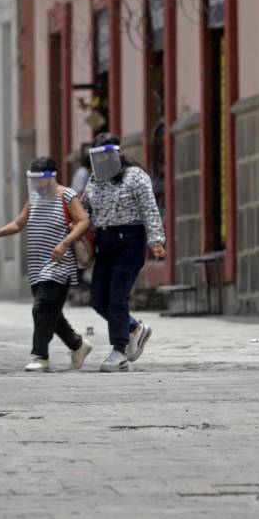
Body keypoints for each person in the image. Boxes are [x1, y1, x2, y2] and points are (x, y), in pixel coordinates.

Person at [0, 157, 93, 372]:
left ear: (51, 177)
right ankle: (78, 345)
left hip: (59, 264)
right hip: (37, 265)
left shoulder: (66, 195)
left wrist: (64, 243)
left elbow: (83, 221)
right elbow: (19, 223)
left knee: (41, 308)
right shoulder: (34, 197)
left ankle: (40, 356)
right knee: (51, 312)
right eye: (33, 180)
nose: (37, 184)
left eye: (40, 180)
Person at [83, 133, 166, 372]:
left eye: (106, 155)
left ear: (117, 153)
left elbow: (150, 209)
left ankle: (118, 351)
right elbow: (85, 207)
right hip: (104, 240)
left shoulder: (135, 176)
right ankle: (134, 328)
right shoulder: (94, 180)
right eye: (96, 157)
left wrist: (156, 240)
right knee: (98, 299)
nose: (102, 161)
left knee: (117, 296)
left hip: (130, 241)